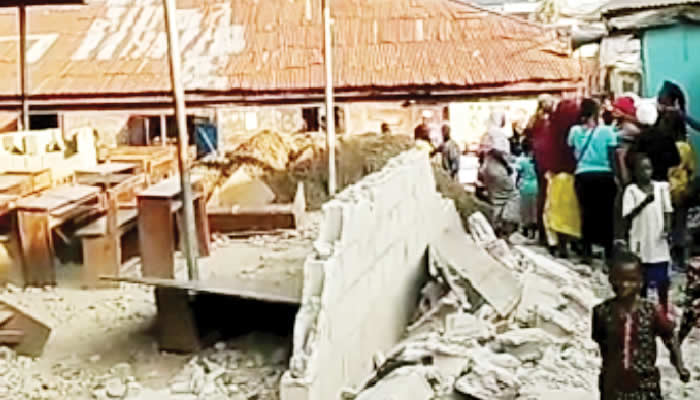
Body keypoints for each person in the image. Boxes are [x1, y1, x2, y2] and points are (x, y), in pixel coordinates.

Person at [592, 251, 690, 400]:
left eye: (631, 280)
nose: (624, 285)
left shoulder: (651, 312)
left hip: (645, 385)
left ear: (641, 282)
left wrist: (679, 366)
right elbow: (600, 341)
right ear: (611, 279)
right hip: (612, 385)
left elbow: (670, 337)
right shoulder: (602, 312)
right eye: (619, 279)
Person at [568, 98, 618, 264]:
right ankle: (608, 252)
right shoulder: (607, 132)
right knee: (606, 215)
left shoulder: (574, 131)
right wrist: (617, 176)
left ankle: (587, 252)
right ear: (597, 113)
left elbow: (571, 151)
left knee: (586, 214)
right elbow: (612, 157)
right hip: (604, 176)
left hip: (582, 175)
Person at [622, 154, 673, 310]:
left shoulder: (661, 187)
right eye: (642, 169)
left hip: (658, 241)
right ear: (635, 172)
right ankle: (643, 311)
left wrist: (667, 228)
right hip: (640, 241)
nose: (646, 172)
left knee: (662, 280)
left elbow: (668, 210)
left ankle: (663, 310)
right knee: (641, 279)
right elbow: (628, 216)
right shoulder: (631, 191)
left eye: (648, 168)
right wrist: (644, 203)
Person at [479, 110, 520, 236]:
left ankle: (496, 228)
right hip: (498, 169)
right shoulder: (497, 134)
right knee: (512, 195)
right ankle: (507, 224)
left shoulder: (486, 133)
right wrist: (507, 165)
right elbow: (497, 151)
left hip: (487, 169)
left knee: (496, 199)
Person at [516, 139, 538, 239]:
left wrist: (517, 184)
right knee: (535, 210)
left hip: (525, 187)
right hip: (536, 186)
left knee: (525, 210)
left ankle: (525, 230)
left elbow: (518, 174)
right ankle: (534, 231)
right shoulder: (537, 159)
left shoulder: (521, 161)